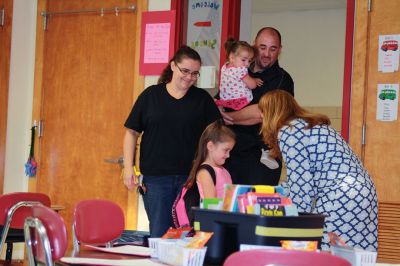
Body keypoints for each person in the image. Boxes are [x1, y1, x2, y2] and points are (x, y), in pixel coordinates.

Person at [258, 90, 378, 251]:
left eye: (262, 112)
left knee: (323, 249)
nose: (260, 117)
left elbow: (302, 185)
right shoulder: (311, 125)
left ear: (271, 112)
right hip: (362, 192)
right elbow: (306, 177)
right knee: (354, 253)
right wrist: (273, 193)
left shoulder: (290, 131)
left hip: (341, 194)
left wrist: (295, 228)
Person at [122, 45, 221, 238]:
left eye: (194, 73)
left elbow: (217, 136)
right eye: (185, 71)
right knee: (160, 234)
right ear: (173, 66)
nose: (189, 77)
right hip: (156, 179)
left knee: (190, 234)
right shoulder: (151, 96)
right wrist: (128, 168)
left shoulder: (202, 99)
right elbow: (131, 132)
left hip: (191, 179)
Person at [220, 27, 294, 185]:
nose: (267, 54)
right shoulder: (237, 70)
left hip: (262, 160)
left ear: (279, 50)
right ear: (254, 45)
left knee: (255, 209)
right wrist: (219, 110)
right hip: (230, 156)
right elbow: (220, 100)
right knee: (228, 208)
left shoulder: (283, 80)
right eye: (262, 47)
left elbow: (260, 113)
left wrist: (227, 118)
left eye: (273, 49)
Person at [172, 120, 235, 228]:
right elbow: (211, 204)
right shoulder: (205, 172)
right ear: (210, 146)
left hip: (224, 222)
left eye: (230, 151)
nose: (228, 155)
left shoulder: (224, 171)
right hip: (213, 225)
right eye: (225, 150)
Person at [215, 37, 263, 111]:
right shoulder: (240, 70)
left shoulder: (225, 67)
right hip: (239, 101)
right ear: (232, 57)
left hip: (225, 100)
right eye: (243, 60)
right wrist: (254, 81)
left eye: (249, 61)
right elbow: (252, 85)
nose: (247, 64)